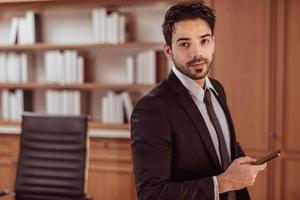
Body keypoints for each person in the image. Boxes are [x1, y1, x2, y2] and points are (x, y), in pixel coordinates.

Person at [130, 2, 266, 200]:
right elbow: (151, 194)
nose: (197, 53)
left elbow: (221, 144)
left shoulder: (217, 89)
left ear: (213, 42)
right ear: (168, 50)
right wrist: (222, 183)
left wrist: (245, 165)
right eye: (185, 44)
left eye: (204, 41)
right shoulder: (151, 109)